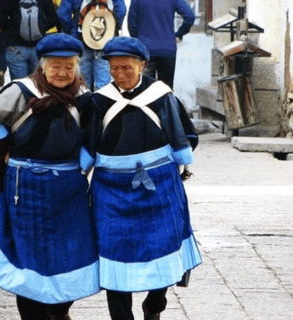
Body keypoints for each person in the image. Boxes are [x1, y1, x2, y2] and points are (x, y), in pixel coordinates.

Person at [0, 33, 99, 320]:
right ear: (42, 65)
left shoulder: (85, 98)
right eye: (55, 66)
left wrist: (82, 165)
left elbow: (93, 138)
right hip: (26, 188)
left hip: (68, 189)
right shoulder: (21, 91)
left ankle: (60, 311)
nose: (62, 72)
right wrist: (4, 151)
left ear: (77, 66)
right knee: (28, 256)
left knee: (70, 251)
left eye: (69, 66)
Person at [83, 36, 202, 320]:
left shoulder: (161, 96)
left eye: (126, 68)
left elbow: (184, 136)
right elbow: (88, 143)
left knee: (163, 244)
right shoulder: (100, 101)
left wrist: (177, 161)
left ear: (142, 65)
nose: (120, 75)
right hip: (111, 190)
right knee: (114, 254)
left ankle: (154, 305)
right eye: (114, 69)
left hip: (158, 186)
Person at [57, 0, 126, 91]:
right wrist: (113, 27)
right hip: (104, 39)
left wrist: (71, 31)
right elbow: (121, 11)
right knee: (103, 84)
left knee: (82, 83)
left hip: (80, 39)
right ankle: (101, 103)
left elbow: (63, 14)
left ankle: (84, 103)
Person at [128, 0, 195, 89]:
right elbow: (190, 16)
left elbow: (132, 24)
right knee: (165, 91)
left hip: (145, 49)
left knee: (144, 92)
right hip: (167, 48)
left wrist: (138, 41)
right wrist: (179, 34)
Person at [0, 0, 61, 81]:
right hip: (38, 46)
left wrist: (12, 28)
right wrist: (41, 29)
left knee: (20, 84)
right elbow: (53, 19)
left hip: (15, 46)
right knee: (37, 84)